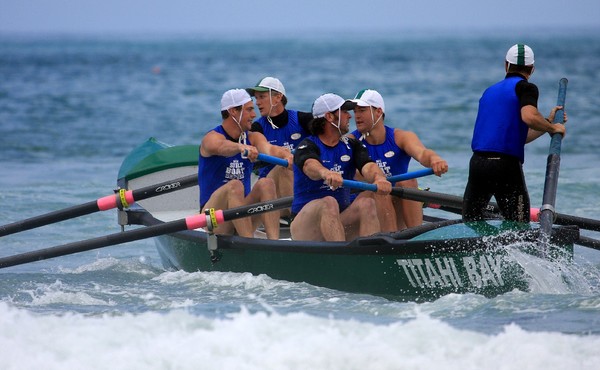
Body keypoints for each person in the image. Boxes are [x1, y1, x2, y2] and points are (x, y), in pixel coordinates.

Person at [462, 44, 567, 223]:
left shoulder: (489, 92)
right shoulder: (527, 88)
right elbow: (529, 116)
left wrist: (547, 123)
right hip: (505, 167)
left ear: (506, 65)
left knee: (471, 222)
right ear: (532, 69)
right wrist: (554, 128)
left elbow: (520, 138)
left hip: (478, 164)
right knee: (518, 225)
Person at [290, 93, 392, 242]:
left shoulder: (352, 145)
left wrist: (379, 178)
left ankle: (370, 256)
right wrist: (325, 172)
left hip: (338, 220)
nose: (349, 116)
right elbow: (309, 165)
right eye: (344, 112)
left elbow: (368, 166)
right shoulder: (306, 146)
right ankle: (342, 258)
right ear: (329, 117)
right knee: (329, 202)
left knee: (367, 203)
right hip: (305, 226)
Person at [348, 89, 449, 231]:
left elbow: (422, 153)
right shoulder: (349, 142)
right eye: (355, 111)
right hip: (364, 208)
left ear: (378, 112)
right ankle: (391, 241)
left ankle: (416, 237)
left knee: (408, 182)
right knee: (380, 189)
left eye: (362, 110)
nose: (356, 116)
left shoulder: (400, 137)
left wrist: (435, 160)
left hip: (393, 202)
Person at [198, 88, 293, 240]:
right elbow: (221, 147)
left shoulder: (253, 137)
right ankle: (249, 244)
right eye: (249, 110)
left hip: (240, 214)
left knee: (266, 183)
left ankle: (274, 245)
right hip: (211, 220)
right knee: (235, 186)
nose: (254, 115)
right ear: (233, 112)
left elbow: (270, 149)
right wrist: (239, 147)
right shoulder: (211, 138)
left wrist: (286, 155)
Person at [246, 77, 313, 216]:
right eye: (256, 98)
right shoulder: (256, 128)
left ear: (278, 98)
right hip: (271, 195)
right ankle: (298, 219)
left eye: (262, 97)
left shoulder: (303, 120)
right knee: (284, 167)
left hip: (302, 187)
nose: (257, 102)